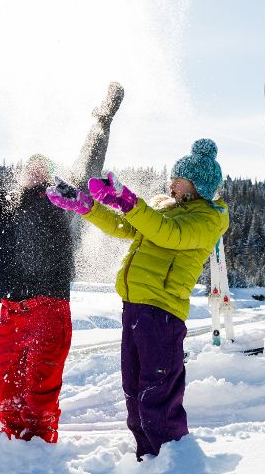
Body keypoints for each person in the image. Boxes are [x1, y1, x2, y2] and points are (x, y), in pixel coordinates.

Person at [0, 83, 123, 443]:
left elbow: (88, 161)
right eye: (29, 168)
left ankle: (38, 459)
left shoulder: (61, 202)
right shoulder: (6, 206)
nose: (34, 172)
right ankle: (9, 455)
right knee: (9, 396)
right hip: (11, 313)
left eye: (42, 168)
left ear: (51, 176)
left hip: (49, 310)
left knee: (37, 400)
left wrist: (103, 118)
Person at [46, 138, 229, 459]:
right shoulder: (163, 208)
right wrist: (88, 205)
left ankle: (174, 457)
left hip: (162, 312)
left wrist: (130, 202)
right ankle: (146, 456)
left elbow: (167, 233)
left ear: (198, 185)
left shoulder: (208, 218)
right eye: (172, 177)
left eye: (179, 179)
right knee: (133, 388)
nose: (171, 184)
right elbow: (125, 226)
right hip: (133, 308)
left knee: (156, 391)